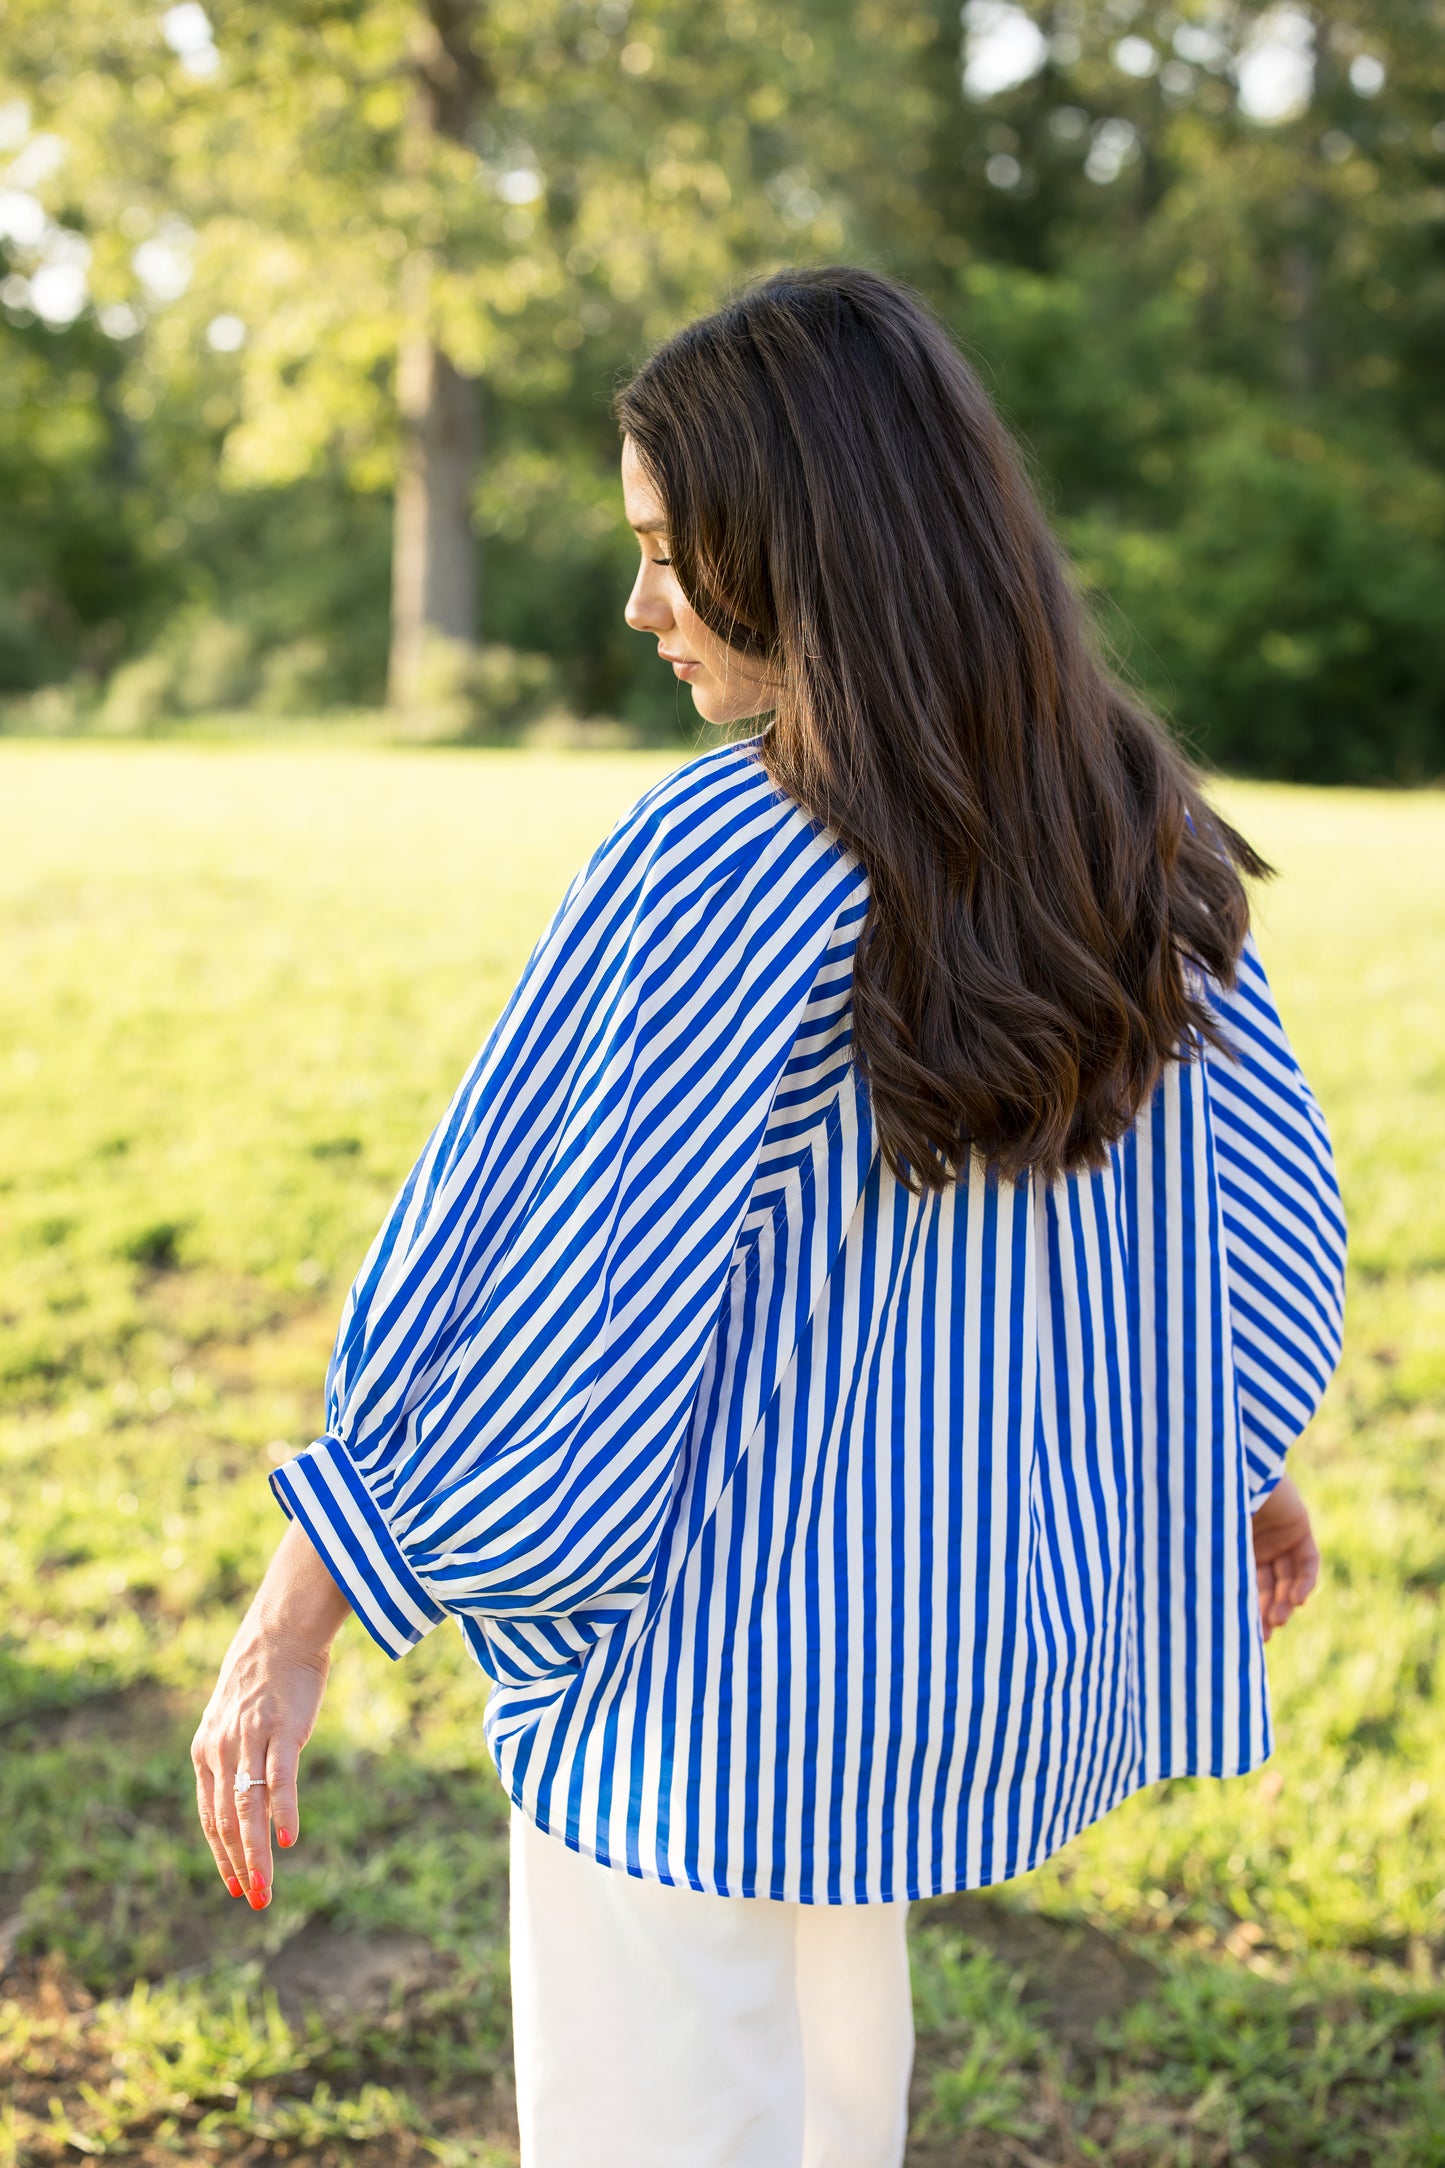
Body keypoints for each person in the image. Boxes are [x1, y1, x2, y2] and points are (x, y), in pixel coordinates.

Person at [192, 267, 1345, 2168]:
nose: (638, 605)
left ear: (804, 549)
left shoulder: (717, 857)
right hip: (913, 1677)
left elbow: (545, 1295)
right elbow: (1230, 1227)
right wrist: (1221, 1455)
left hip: (703, 1685)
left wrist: (301, 1606)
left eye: (669, 552)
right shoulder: (1138, 842)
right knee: (828, 2116)